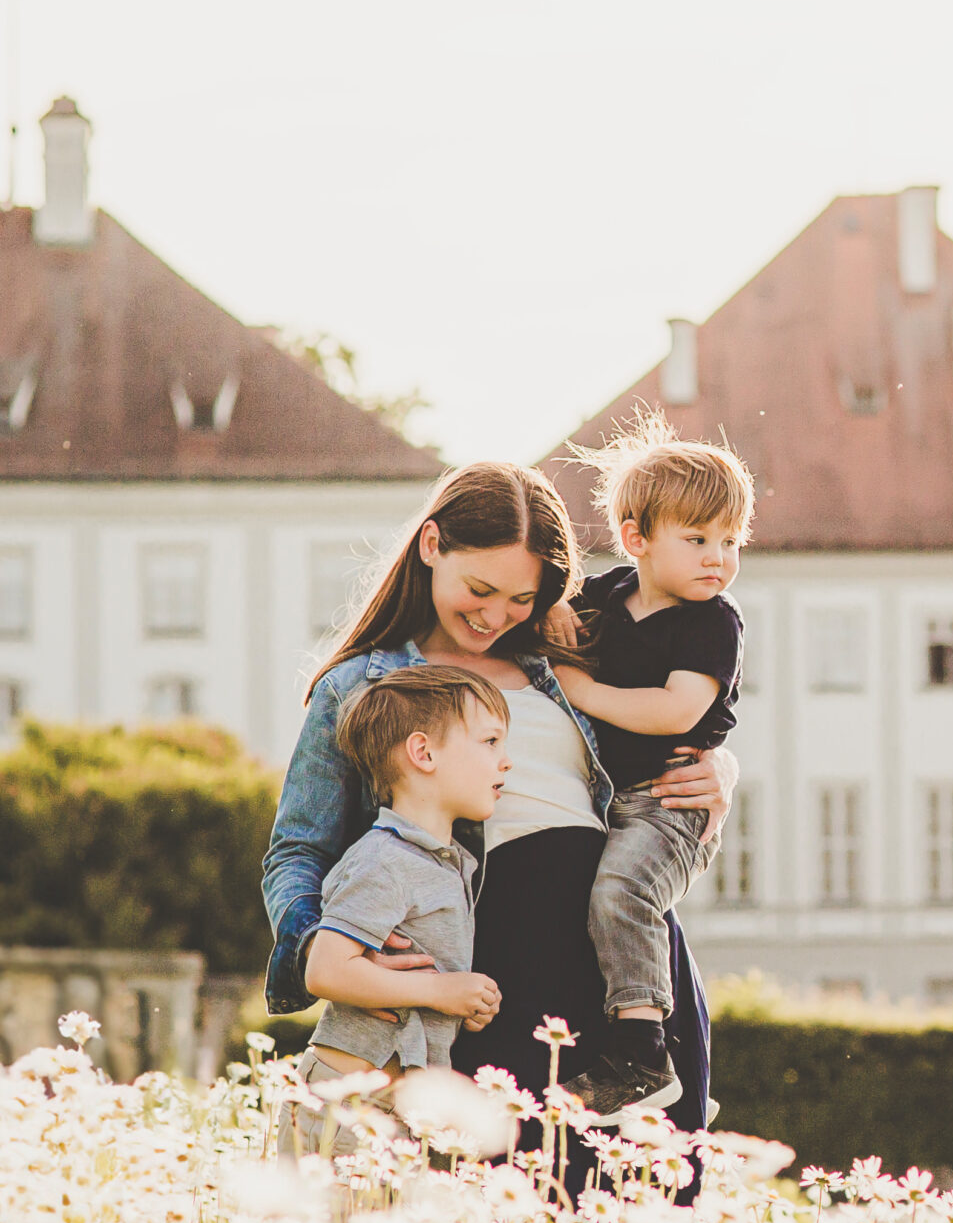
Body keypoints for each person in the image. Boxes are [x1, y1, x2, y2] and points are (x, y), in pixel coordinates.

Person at [260, 459, 737, 1171]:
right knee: (510, 1209)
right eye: (479, 590)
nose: (495, 616)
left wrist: (718, 769)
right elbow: (298, 850)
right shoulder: (361, 685)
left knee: (648, 1210)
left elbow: (669, 718)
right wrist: (324, 948)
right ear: (431, 546)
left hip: (625, 992)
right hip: (493, 980)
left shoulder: (570, 655)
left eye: (522, 598)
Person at [543, 419, 751, 1119]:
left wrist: (582, 690)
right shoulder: (604, 598)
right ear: (637, 539)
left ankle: (643, 1054)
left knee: (622, 892)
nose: (718, 558)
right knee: (599, 909)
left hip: (671, 804)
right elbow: (542, 627)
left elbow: (675, 710)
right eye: (697, 540)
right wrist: (551, 615)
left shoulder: (713, 622)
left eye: (731, 541)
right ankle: (669, 1067)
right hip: (612, 799)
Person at [298, 665, 510, 1101]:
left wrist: (462, 1003)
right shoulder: (385, 859)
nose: (506, 761)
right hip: (347, 1103)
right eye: (490, 741)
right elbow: (325, 971)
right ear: (424, 753)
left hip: (400, 1105)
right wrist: (439, 992)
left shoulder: (444, 863)